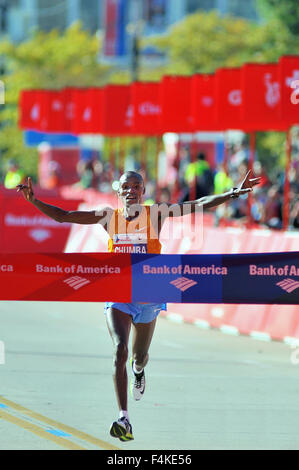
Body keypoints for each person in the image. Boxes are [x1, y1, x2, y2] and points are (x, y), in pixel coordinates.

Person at [17, 169, 260, 442]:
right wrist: (34, 201)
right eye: (126, 186)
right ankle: (124, 416)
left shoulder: (156, 214)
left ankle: (139, 370)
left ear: (143, 192)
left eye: (137, 186)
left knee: (138, 355)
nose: (131, 190)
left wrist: (233, 193)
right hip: (118, 294)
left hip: (149, 295)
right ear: (118, 191)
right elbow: (64, 216)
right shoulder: (109, 217)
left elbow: (198, 205)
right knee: (119, 349)